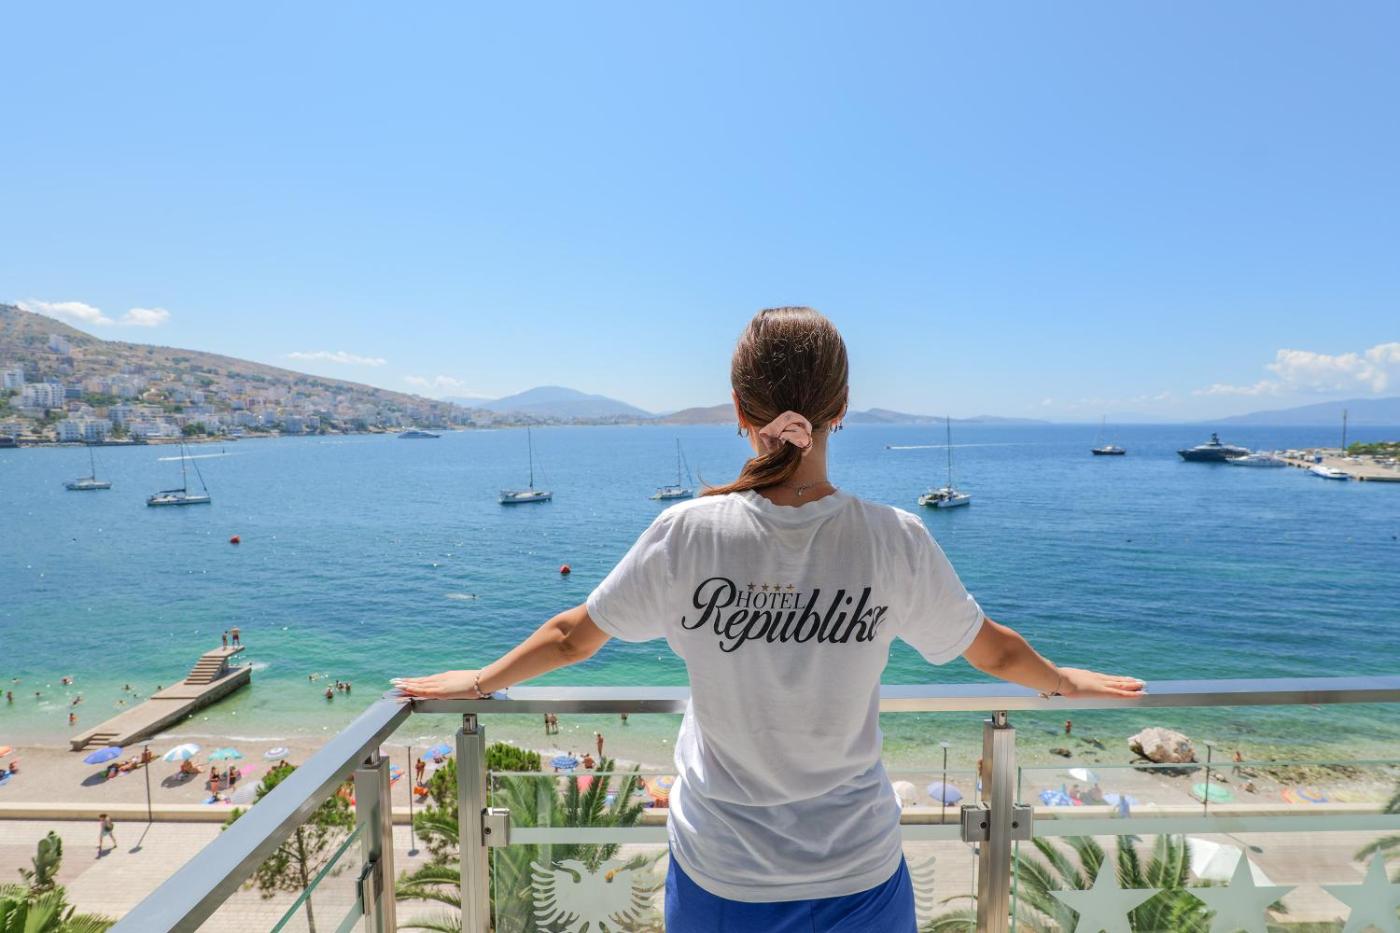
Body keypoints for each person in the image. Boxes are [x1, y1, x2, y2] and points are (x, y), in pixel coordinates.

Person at [394, 308, 1143, 932]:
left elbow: (572, 637)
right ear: (841, 408)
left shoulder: (688, 533)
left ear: (738, 409)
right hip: (859, 874)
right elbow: (995, 653)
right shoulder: (894, 539)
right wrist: (1062, 680)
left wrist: (482, 680)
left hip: (722, 875)